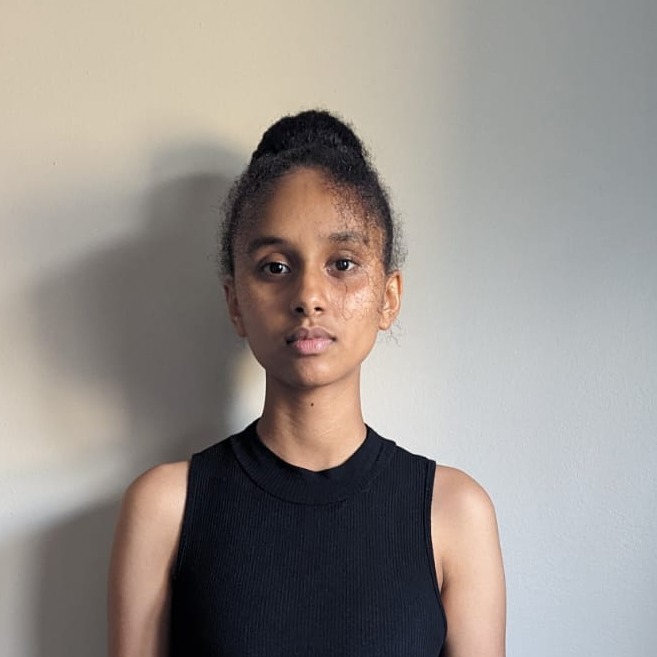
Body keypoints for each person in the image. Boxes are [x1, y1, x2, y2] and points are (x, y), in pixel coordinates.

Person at [108, 110, 506, 657]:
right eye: (275, 267)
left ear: (388, 297)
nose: (308, 297)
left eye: (342, 263)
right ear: (235, 303)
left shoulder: (455, 513)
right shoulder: (164, 509)